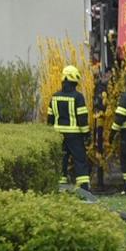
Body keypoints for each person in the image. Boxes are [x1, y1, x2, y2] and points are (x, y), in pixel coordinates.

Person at [47, 64, 92, 195]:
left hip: (58, 134)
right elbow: (82, 118)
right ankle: (84, 188)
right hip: (74, 135)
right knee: (79, 160)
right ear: (74, 80)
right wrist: (86, 134)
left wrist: (50, 133)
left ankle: (60, 187)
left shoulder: (54, 97)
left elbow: (50, 117)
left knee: (61, 159)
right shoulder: (78, 97)